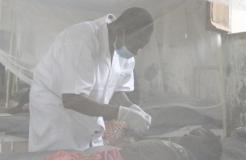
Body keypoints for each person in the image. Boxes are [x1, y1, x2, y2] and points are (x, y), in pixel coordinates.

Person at [29, 7, 154, 152]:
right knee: (60, 154)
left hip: (88, 123)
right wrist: (121, 114)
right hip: (58, 120)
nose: (137, 52)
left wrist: (132, 108)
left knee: (91, 152)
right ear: (121, 32)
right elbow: (71, 99)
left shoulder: (125, 53)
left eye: (141, 47)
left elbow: (116, 92)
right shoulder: (81, 39)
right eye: (137, 45)